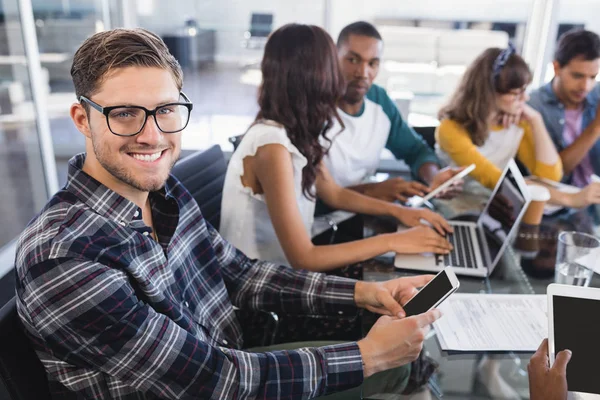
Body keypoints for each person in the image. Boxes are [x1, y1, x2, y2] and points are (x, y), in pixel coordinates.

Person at [15, 28, 443, 399]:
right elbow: (212, 382)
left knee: (396, 336)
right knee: (395, 365)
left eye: (165, 111)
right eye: (124, 114)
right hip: (221, 382)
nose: (152, 135)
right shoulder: (63, 258)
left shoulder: (165, 193)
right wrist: (369, 357)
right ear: (82, 120)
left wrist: (366, 293)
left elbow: (240, 275)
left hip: (236, 357)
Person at [220, 24, 452, 273]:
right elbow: (304, 258)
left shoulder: (295, 132)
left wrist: (400, 213)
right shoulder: (272, 146)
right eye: (334, 68)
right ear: (310, 77)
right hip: (255, 285)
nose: (339, 80)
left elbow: (334, 194)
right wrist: (394, 241)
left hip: (281, 274)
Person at [323, 21, 463, 204]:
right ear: (335, 57)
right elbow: (311, 195)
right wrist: (373, 191)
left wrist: (434, 178)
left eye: (372, 63)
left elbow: (416, 150)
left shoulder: (379, 101)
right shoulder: (314, 106)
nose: (363, 73)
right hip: (319, 223)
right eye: (353, 60)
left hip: (362, 214)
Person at [436, 44, 563, 190]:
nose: (525, 98)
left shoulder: (518, 121)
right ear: (489, 93)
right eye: (516, 93)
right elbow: (493, 180)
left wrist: (536, 121)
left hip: (493, 203)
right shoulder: (450, 128)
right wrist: (569, 199)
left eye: (525, 90)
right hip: (455, 204)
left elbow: (549, 178)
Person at [528, 29, 600, 207]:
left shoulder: (596, 94)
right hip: (562, 209)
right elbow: (557, 171)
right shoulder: (534, 108)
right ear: (556, 67)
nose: (586, 86)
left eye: (593, 77)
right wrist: (596, 128)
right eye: (577, 76)